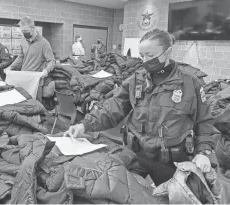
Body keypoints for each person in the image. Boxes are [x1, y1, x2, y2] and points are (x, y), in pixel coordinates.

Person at [64, 28, 219, 186]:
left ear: (168, 52)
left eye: (151, 56)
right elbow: (113, 107)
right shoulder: (136, 80)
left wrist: (203, 152)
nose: (145, 61)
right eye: (142, 56)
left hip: (171, 162)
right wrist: (85, 125)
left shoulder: (190, 83)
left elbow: (204, 121)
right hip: (136, 154)